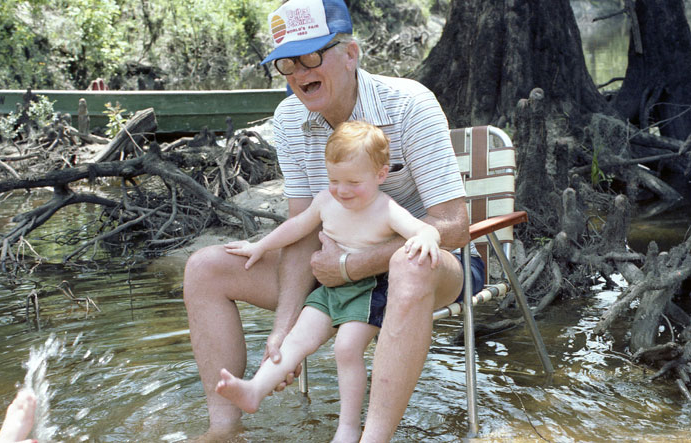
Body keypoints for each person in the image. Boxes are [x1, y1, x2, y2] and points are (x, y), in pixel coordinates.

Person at [182, 0, 485, 440]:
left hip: (429, 266)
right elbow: (302, 234)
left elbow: (454, 225)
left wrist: (352, 266)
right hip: (334, 277)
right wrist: (283, 331)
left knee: (410, 263)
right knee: (204, 268)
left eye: (311, 56)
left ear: (350, 54)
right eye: (287, 63)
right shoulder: (288, 117)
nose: (299, 73)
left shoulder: (410, 104)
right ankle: (223, 429)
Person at [216, 120, 441, 442]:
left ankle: (348, 428)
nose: (342, 190)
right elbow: (297, 227)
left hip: (369, 290)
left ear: (380, 175)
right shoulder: (326, 200)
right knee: (295, 339)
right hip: (330, 288)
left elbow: (424, 228)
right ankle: (255, 390)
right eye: (334, 179)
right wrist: (261, 245)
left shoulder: (386, 209)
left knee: (346, 348)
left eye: (353, 182)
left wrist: (428, 237)